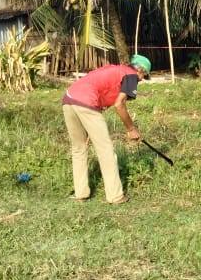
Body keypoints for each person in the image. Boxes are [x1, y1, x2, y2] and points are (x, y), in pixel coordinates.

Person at [62, 54, 151, 204]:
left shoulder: (117, 71)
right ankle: (115, 196)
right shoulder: (130, 75)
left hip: (68, 100)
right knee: (106, 151)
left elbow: (104, 95)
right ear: (140, 70)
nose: (142, 79)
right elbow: (119, 105)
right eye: (144, 75)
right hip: (86, 102)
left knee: (78, 148)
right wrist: (131, 129)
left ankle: (81, 193)